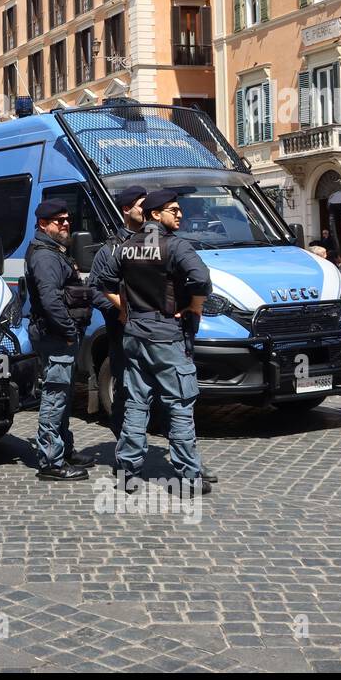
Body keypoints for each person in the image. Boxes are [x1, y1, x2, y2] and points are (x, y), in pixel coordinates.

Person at [96, 189, 214, 495]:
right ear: (154, 215)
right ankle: (189, 475)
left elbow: (103, 282)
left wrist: (125, 310)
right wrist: (196, 307)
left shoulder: (125, 247)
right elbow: (202, 278)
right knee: (179, 406)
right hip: (166, 336)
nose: (179, 214)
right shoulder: (175, 246)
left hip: (134, 335)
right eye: (173, 210)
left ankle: (128, 471)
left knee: (136, 404)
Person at [24, 199, 96, 481]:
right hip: (55, 336)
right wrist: (68, 331)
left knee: (63, 394)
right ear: (43, 224)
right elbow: (51, 300)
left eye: (67, 219)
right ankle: (51, 461)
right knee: (54, 396)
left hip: (59, 335)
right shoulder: (45, 256)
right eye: (59, 221)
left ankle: (64, 448)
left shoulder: (55, 251)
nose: (66, 224)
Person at [89, 186, 147, 440]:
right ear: (127, 209)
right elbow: (95, 290)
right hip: (123, 335)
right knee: (124, 392)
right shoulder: (110, 250)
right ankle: (126, 452)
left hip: (156, 334)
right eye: (142, 205)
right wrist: (120, 310)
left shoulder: (160, 243)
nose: (148, 211)